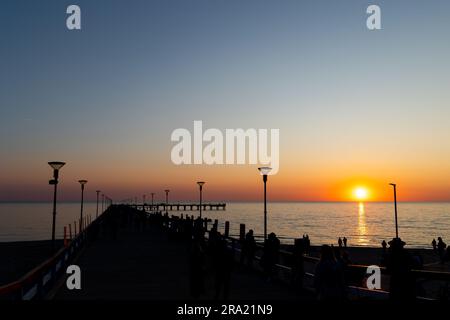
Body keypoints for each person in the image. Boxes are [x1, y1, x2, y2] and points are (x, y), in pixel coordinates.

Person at [213, 235, 234, 299]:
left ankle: (217, 296)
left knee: (219, 285)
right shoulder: (228, 252)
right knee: (225, 286)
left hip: (220, 271)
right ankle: (224, 297)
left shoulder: (218, 253)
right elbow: (231, 262)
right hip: (226, 271)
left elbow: (215, 261)